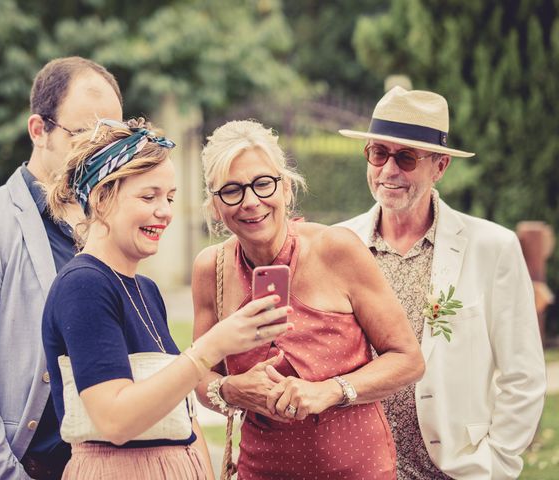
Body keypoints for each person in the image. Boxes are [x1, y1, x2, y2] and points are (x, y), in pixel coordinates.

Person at [41, 117, 292, 480]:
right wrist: (214, 345)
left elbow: (184, 420)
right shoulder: (84, 285)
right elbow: (115, 420)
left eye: (170, 197)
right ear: (100, 198)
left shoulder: (146, 290)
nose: (165, 212)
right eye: (149, 196)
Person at [192, 119, 425, 479]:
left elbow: (408, 360)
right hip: (263, 469)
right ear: (215, 206)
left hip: (357, 467)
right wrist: (230, 389)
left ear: (285, 188)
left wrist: (330, 391)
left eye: (262, 184)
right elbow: (198, 377)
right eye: (232, 190)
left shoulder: (337, 249)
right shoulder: (212, 269)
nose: (251, 202)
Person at [336, 86, 546, 479]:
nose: (388, 170)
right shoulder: (336, 245)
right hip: (357, 467)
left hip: (453, 470)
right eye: (378, 153)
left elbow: (524, 376)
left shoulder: (493, 248)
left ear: (441, 166)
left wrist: (495, 464)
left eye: (406, 157)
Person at [0, 56, 124, 480]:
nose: (100, 150)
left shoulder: (113, 225)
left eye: (111, 137)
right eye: (85, 134)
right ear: (39, 130)